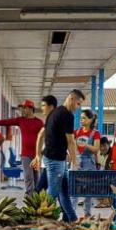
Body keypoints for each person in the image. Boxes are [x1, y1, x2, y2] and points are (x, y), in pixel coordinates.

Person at [33, 90, 81, 222]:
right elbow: (70, 140)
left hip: (54, 158)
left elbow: (40, 135)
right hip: (55, 160)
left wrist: (38, 155)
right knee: (52, 192)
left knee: (64, 191)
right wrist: (74, 160)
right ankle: (39, 220)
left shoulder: (54, 112)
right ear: (71, 99)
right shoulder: (67, 115)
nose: (78, 107)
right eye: (78, 103)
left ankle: (72, 219)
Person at [0, 100, 45, 194]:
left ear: (30, 109)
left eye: (24, 108)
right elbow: (5, 122)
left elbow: (45, 136)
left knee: (37, 178)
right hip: (25, 155)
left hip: (36, 155)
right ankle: (30, 197)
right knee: (28, 177)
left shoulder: (39, 122)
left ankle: (37, 198)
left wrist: (40, 154)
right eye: (22, 108)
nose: (22, 110)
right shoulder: (20, 120)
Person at [74, 108, 101, 217]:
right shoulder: (76, 132)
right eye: (81, 118)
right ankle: (72, 215)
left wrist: (85, 145)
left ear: (91, 120)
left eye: (84, 118)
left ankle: (87, 215)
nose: (81, 120)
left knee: (88, 191)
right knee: (74, 189)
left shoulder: (95, 133)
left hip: (89, 162)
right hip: (76, 162)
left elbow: (96, 149)